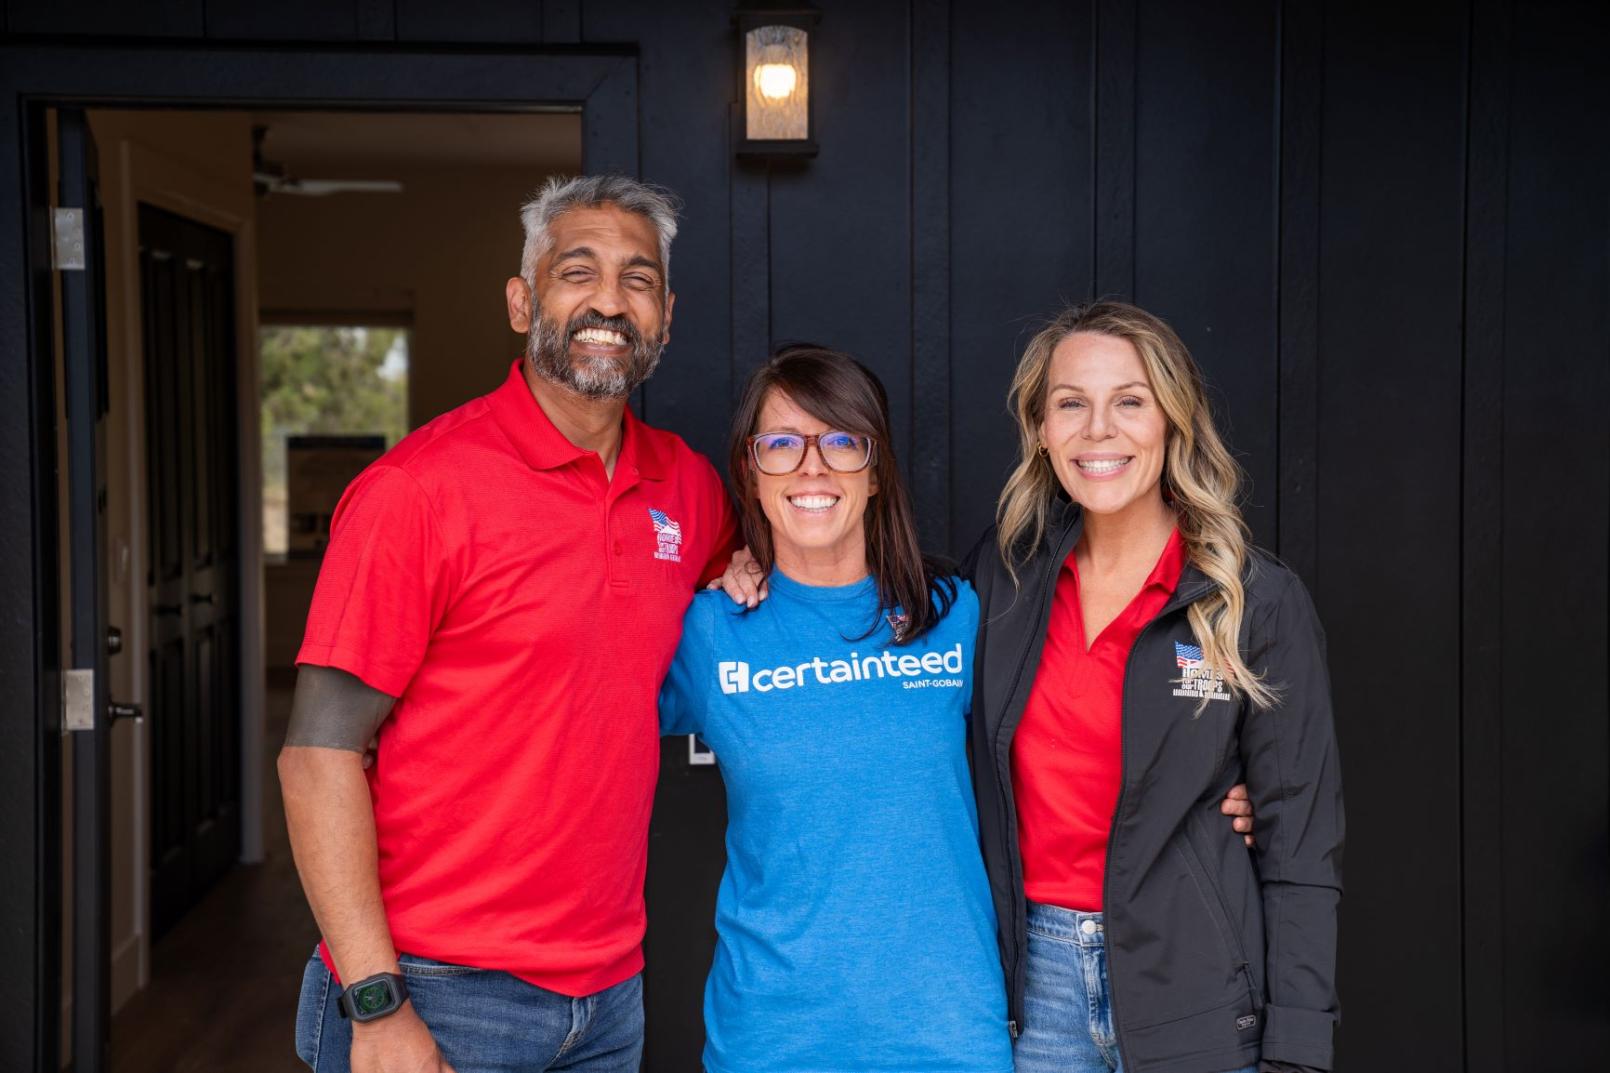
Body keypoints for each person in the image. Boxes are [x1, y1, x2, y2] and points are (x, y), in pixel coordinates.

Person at [278, 175, 737, 1073]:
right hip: (433, 986)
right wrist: (376, 1001)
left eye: (638, 279)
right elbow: (316, 756)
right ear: (523, 302)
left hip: (609, 994)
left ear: (666, 317)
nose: (611, 302)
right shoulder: (418, 491)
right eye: (579, 272)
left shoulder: (687, 486)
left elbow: (739, 590)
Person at [968, 301, 1343, 1073]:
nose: (1098, 429)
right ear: (1041, 427)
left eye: (1130, 401)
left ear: (1173, 421)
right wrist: (745, 562)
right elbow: (878, 616)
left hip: (1196, 990)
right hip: (1035, 995)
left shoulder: (1254, 600)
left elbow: (1301, 847)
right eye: (1071, 403)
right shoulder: (1004, 576)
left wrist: (1299, 1049)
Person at [659, 346, 1015, 1073]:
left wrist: (1216, 790)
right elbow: (576, 716)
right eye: (781, 444)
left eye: (842, 442)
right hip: (774, 1040)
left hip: (948, 1034)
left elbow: (1071, 729)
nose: (812, 468)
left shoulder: (955, 615)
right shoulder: (711, 630)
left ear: (875, 471)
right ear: (750, 471)